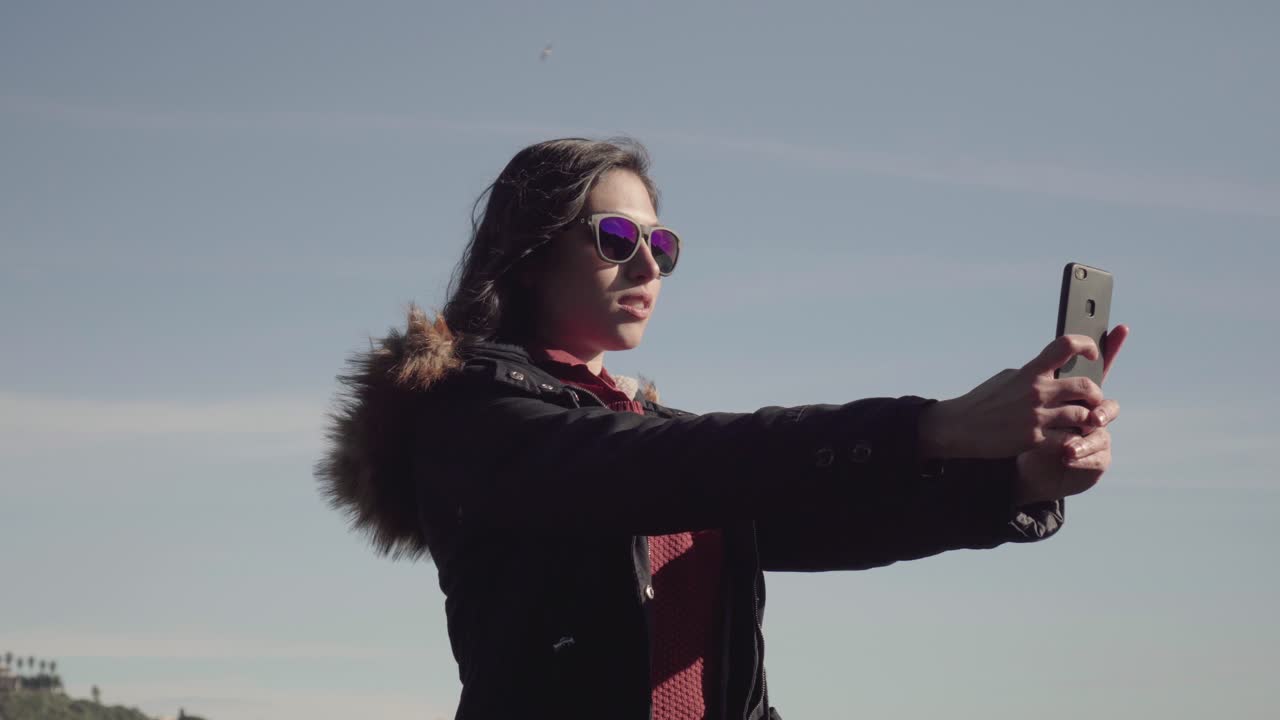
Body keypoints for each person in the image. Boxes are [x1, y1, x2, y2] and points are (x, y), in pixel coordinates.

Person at [315, 137, 1128, 720]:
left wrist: (1017, 481)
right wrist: (933, 426)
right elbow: (673, 467)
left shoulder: (643, 428)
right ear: (528, 254)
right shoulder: (473, 416)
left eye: (661, 245)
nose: (647, 267)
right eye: (616, 239)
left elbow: (832, 517)